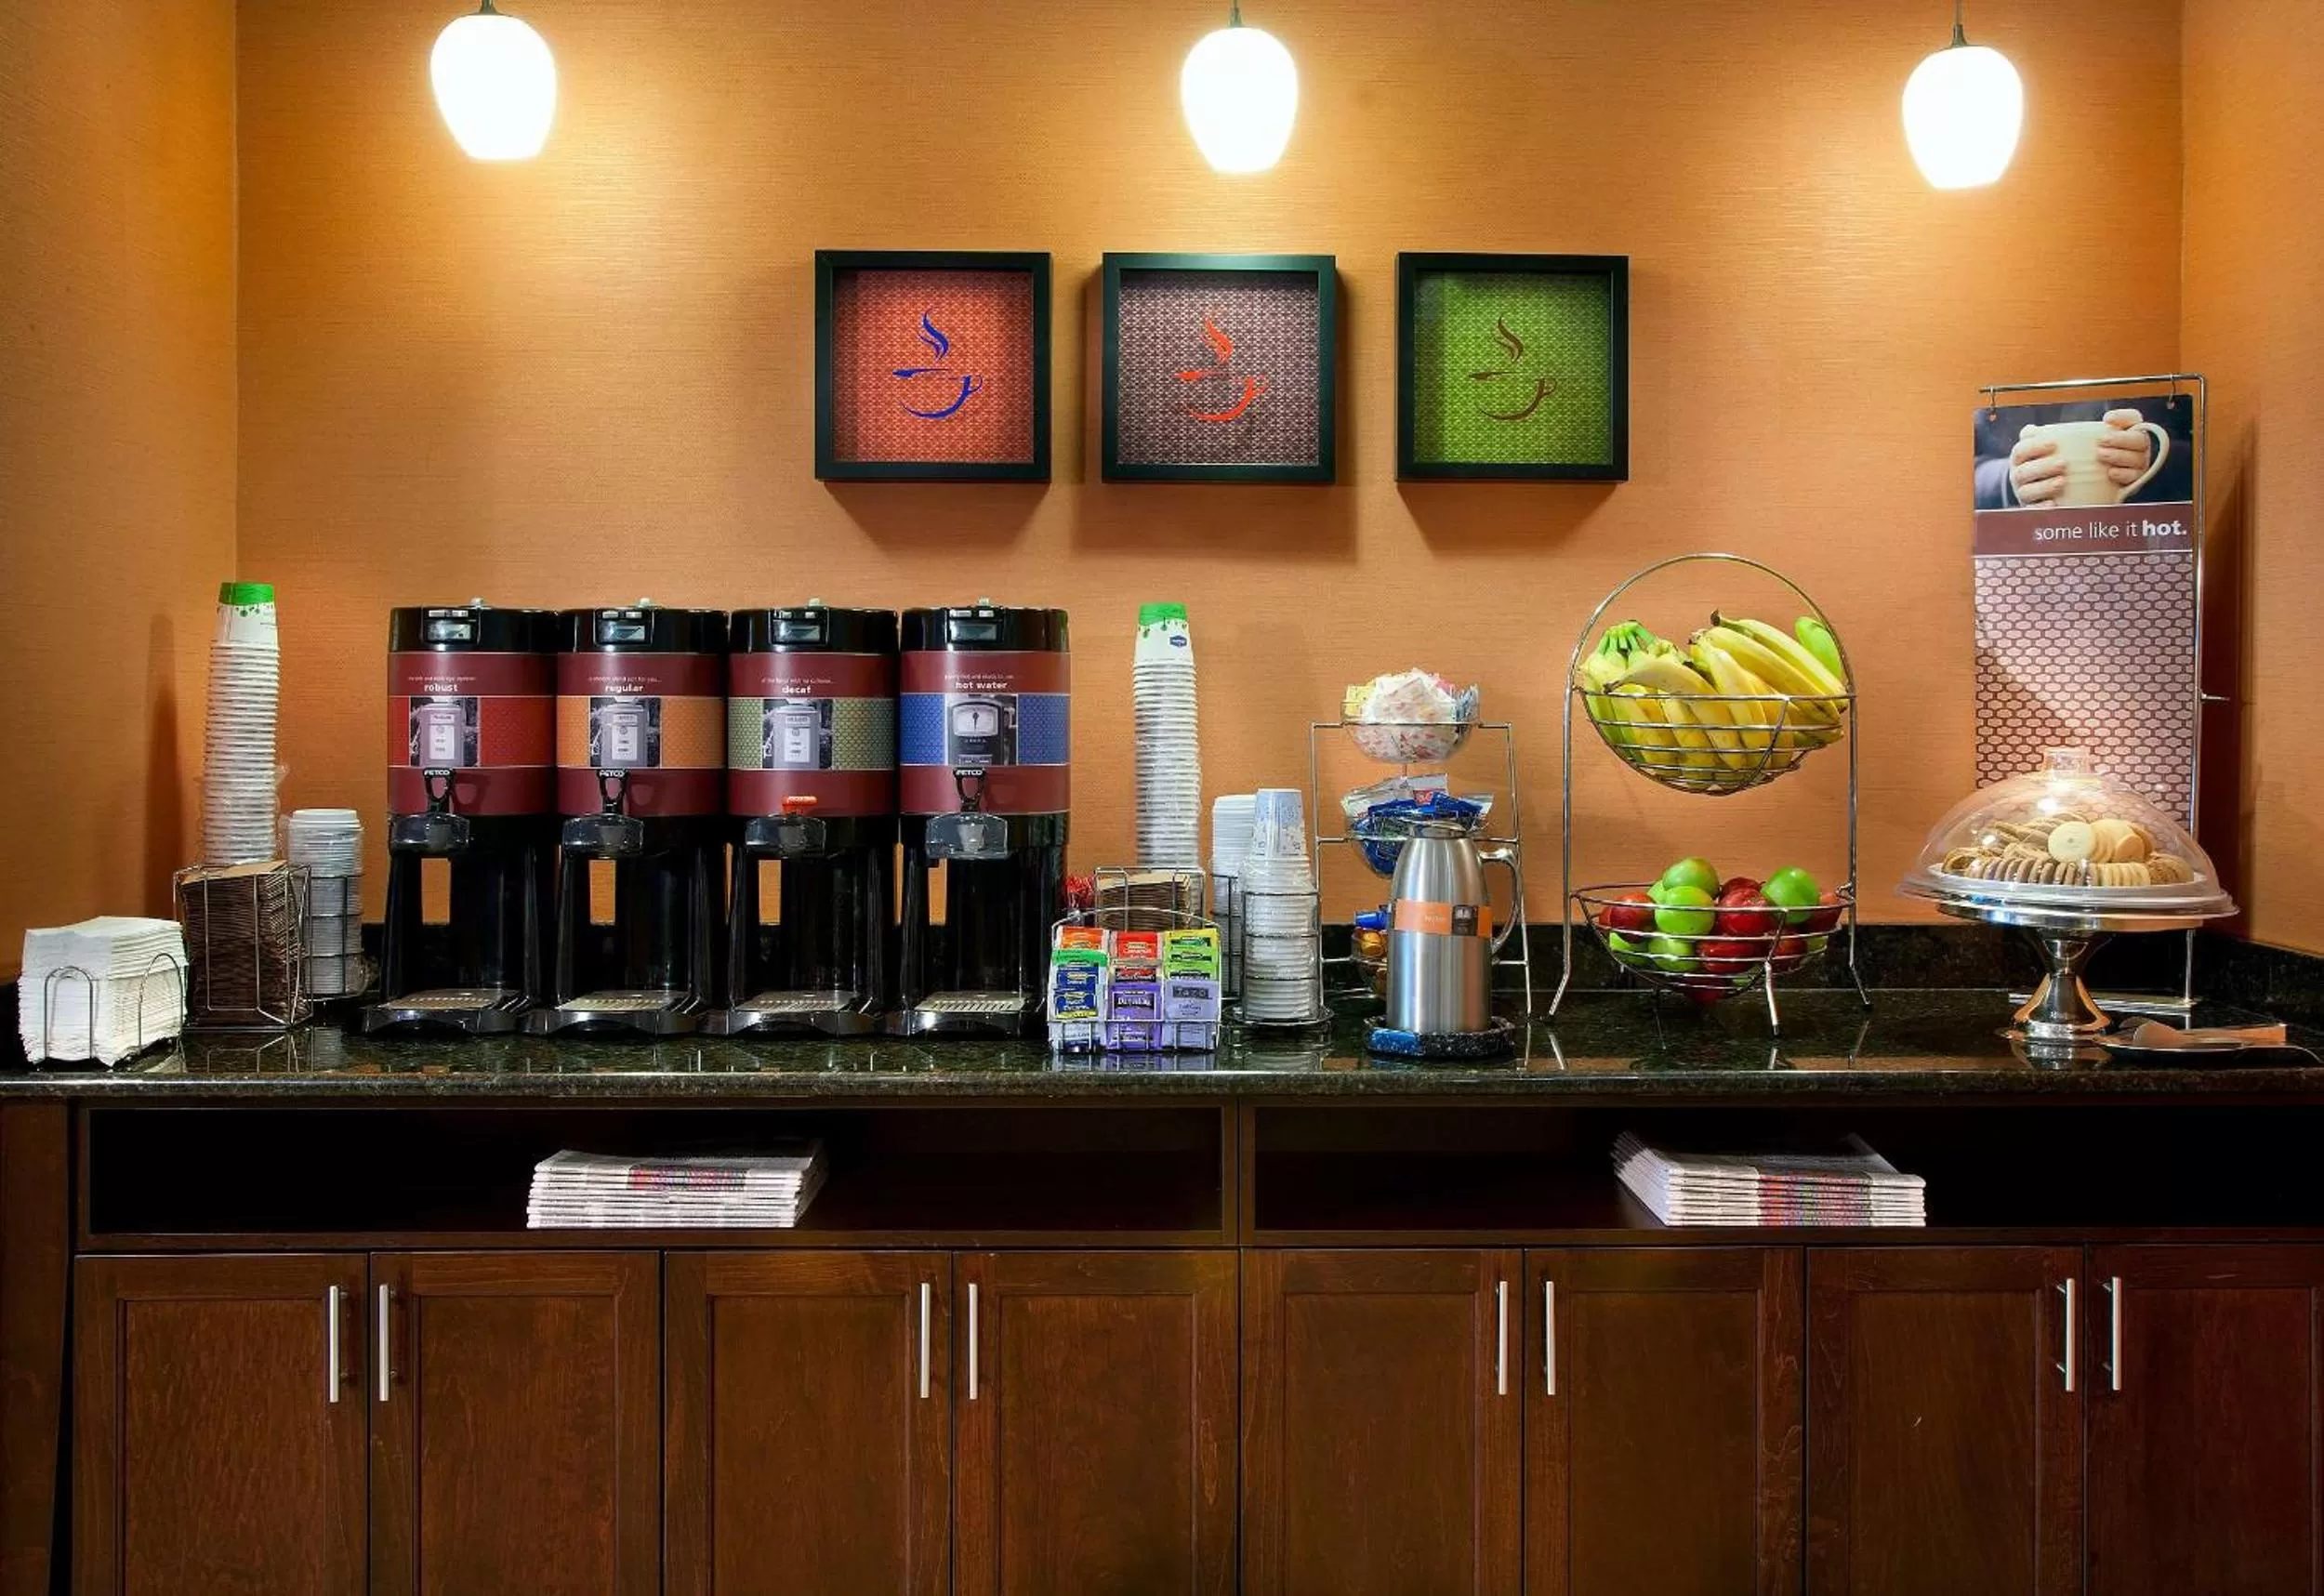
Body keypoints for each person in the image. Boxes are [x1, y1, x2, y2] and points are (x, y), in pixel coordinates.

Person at [1973, 400, 2192, 508]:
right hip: (2018, 550)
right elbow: (1951, 468)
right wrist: (2010, 477)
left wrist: (2156, 459)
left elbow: (2207, 457)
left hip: (2145, 540)